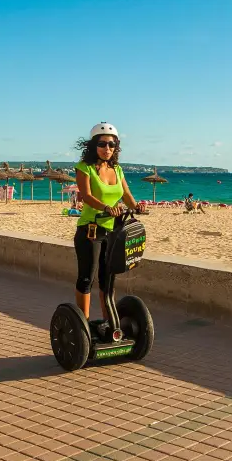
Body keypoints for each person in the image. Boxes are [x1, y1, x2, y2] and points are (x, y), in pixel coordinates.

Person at [73, 122, 146, 339]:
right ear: (94, 145)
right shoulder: (84, 168)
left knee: (108, 278)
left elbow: (126, 195)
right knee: (87, 277)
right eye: (103, 143)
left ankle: (108, 322)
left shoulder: (117, 169)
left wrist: (136, 207)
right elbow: (85, 195)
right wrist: (106, 207)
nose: (107, 148)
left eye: (112, 144)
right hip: (91, 230)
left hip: (114, 229)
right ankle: (83, 325)